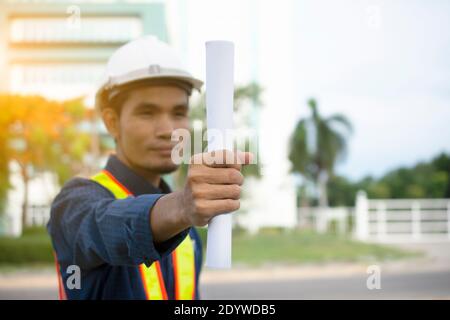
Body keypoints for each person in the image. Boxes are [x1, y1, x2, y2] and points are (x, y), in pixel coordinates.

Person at [47, 36, 252, 300]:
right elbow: (104, 226)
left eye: (179, 113)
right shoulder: (74, 205)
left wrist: (183, 210)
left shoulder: (187, 229)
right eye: (147, 113)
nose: (168, 130)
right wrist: (181, 207)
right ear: (111, 122)